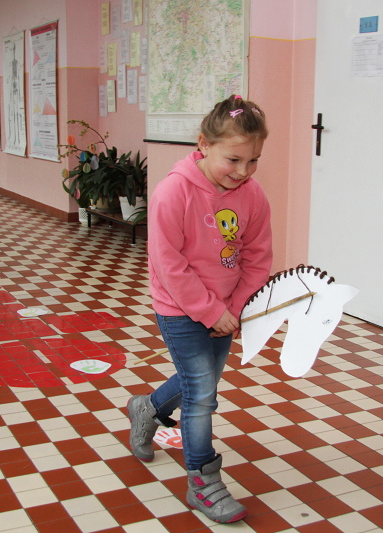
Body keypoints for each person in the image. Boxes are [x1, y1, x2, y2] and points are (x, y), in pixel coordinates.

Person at [127, 95, 273, 523]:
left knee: (200, 383)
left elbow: (257, 258)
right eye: (234, 160)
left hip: (225, 309)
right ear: (204, 145)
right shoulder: (173, 192)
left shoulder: (253, 196)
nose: (243, 171)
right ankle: (203, 481)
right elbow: (168, 264)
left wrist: (236, 308)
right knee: (203, 394)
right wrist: (210, 311)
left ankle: (147, 408)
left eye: (253, 161)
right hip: (179, 307)